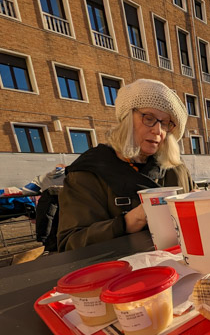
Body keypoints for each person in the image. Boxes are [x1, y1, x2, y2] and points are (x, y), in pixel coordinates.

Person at [57, 79, 195, 252]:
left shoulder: (176, 169)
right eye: (149, 118)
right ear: (126, 119)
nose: (158, 130)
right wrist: (130, 221)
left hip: (182, 266)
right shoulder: (88, 172)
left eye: (166, 123)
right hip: (122, 272)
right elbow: (70, 243)